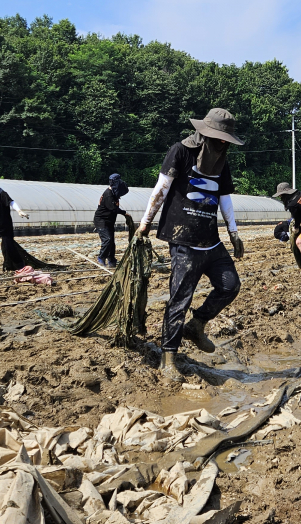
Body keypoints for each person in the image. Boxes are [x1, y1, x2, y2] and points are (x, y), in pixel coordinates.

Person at [136, 108, 244, 383]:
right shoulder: (180, 151)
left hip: (210, 240)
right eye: (220, 139)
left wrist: (233, 232)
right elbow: (161, 187)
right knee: (179, 299)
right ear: (206, 133)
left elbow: (225, 197)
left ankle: (196, 326)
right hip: (183, 238)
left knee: (230, 284)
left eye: (226, 140)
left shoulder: (221, 159)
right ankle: (168, 357)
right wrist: (145, 223)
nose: (223, 144)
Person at [94, 173, 134, 268]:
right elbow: (113, 208)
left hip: (109, 221)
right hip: (101, 220)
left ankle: (112, 260)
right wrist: (124, 213)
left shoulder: (113, 194)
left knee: (111, 242)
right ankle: (101, 258)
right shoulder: (108, 194)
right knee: (107, 240)